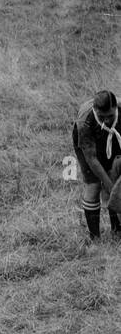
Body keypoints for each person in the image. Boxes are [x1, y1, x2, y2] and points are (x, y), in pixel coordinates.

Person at [71, 89, 121, 241]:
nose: (106, 120)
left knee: (116, 175)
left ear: (116, 109)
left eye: (110, 116)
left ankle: (117, 230)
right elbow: (92, 159)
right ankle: (95, 238)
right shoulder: (85, 122)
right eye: (102, 117)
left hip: (116, 136)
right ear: (95, 110)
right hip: (90, 144)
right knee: (93, 185)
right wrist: (111, 189)